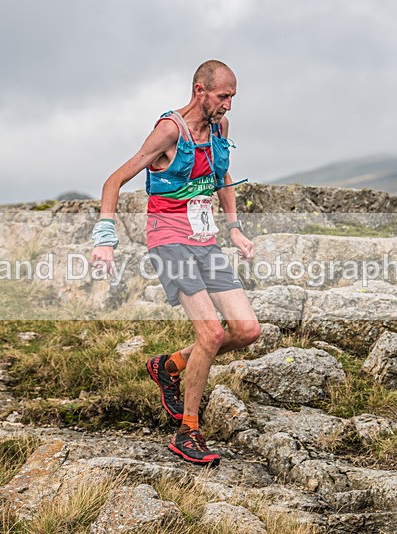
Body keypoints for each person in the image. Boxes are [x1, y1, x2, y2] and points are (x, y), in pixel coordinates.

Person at [90, 60, 261, 466]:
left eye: (233, 97)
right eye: (223, 96)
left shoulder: (220, 128)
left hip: (205, 242)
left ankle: (169, 366)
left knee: (247, 329)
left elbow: (222, 176)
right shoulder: (170, 130)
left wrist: (234, 228)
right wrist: (105, 238)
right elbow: (114, 180)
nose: (228, 106)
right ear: (200, 91)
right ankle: (188, 431)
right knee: (212, 335)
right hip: (169, 243)